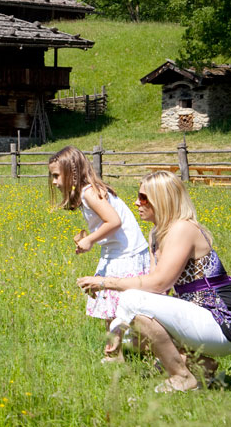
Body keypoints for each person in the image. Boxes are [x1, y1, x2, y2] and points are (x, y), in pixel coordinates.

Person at [77, 171, 231, 392]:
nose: (136, 202)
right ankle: (200, 366)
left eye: (143, 197)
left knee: (132, 300)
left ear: (162, 199)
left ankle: (182, 376)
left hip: (223, 324)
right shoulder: (157, 234)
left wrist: (104, 283)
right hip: (200, 319)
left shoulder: (183, 229)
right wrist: (120, 326)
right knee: (134, 331)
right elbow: (156, 292)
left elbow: (158, 284)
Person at [49, 146, 150, 361]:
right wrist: (89, 238)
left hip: (125, 254)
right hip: (123, 250)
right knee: (117, 305)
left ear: (71, 173)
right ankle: (138, 350)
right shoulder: (87, 192)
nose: (54, 182)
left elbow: (114, 221)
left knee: (113, 306)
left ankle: (116, 355)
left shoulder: (88, 193)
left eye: (57, 176)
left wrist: (90, 240)